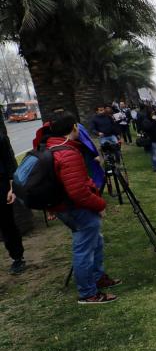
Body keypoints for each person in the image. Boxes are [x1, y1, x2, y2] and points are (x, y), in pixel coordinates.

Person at [47, 111, 120, 303]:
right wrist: (100, 204)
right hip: (74, 208)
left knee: (95, 241)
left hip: (66, 206)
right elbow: (78, 192)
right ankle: (88, 293)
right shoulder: (67, 153)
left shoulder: (54, 146)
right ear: (73, 128)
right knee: (84, 250)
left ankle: (98, 278)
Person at [0, 130, 24, 274]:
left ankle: (17, 257)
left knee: (6, 223)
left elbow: (9, 163)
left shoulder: (1, 139)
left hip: (1, 185)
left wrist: (11, 188)